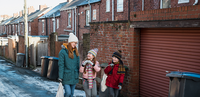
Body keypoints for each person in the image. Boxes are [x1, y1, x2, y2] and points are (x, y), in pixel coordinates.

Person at [58, 33, 80, 97]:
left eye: (76, 43)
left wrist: (77, 74)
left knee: (72, 94)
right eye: (74, 43)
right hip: (66, 76)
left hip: (74, 76)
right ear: (70, 42)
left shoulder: (76, 52)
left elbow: (77, 64)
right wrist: (60, 77)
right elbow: (61, 65)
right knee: (68, 93)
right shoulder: (63, 52)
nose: (75, 44)